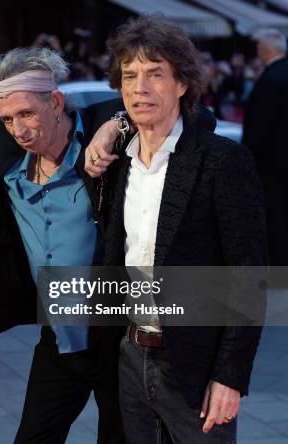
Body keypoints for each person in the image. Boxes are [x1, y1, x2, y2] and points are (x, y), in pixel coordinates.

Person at [0, 46, 126, 443]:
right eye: (7, 118)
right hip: (57, 338)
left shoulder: (103, 135)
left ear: (55, 102)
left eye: (27, 114)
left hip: (117, 338)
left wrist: (119, 123)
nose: (18, 129)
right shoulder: (4, 149)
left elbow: (191, 114)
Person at [86, 15, 266, 443]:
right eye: (129, 76)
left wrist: (230, 376)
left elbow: (250, 276)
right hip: (130, 355)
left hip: (196, 366)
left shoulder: (222, 161)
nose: (139, 88)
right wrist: (112, 126)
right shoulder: (117, 164)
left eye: (154, 74)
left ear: (182, 84)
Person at [242, 28, 288, 266]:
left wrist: (248, 159)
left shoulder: (271, 79)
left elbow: (259, 125)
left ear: (265, 49)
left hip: (273, 163)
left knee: (275, 214)